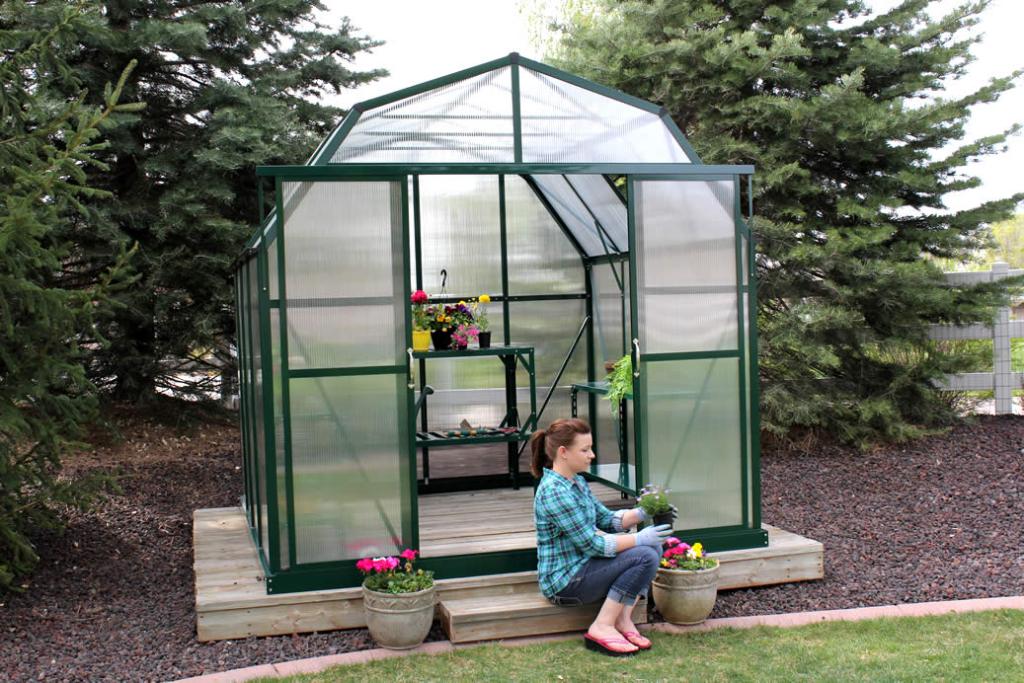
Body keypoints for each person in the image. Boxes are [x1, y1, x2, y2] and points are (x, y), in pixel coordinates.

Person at [531, 418, 672, 656]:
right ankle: (602, 626)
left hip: (583, 568)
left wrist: (642, 512)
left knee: (653, 549)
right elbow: (594, 545)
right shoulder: (555, 492)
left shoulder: (576, 482)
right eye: (585, 450)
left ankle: (622, 620)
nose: (592, 455)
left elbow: (606, 520)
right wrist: (640, 538)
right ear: (563, 452)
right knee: (645, 553)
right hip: (564, 581)